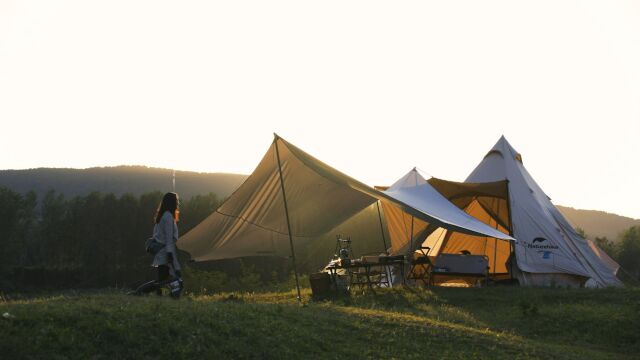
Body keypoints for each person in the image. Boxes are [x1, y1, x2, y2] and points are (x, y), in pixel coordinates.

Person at [132, 192, 184, 298]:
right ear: (172, 202)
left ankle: (142, 293)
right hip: (166, 252)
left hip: (163, 252)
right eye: (176, 201)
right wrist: (170, 255)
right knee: (172, 280)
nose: (178, 203)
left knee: (163, 280)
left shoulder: (162, 216)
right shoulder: (168, 217)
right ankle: (139, 292)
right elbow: (169, 238)